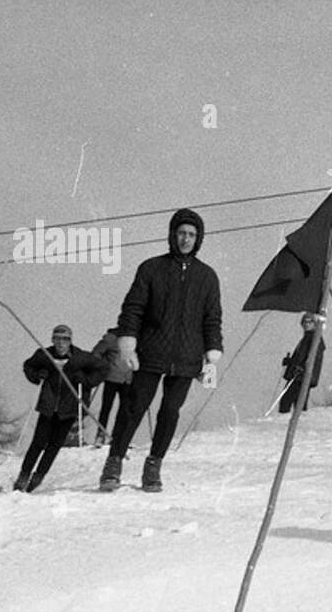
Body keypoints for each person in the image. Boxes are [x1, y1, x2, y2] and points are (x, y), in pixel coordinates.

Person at [99, 208, 223, 492]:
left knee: (170, 411)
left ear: (198, 238)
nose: (186, 239)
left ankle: (153, 465)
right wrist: (128, 341)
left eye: (192, 235)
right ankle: (114, 461)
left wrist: (212, 354)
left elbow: (212, 319)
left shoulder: (207, 277)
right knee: (133, 408)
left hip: (188, 358)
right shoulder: (151, 268)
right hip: (151, 353)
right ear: (172, 234)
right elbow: (133, 308)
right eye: (181, 233)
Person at [17, 325, 107, 492]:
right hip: (48, 407)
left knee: (55, 445)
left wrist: (86, 381)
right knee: (38, 443)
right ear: (52, 340)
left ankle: (38, 477)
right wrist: (37, 376)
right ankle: (23, 476)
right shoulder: (44, 355)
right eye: (57, 338)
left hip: (69, 408)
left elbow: (102, 368)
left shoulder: (80, 358)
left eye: (65, 339)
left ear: (70, 341)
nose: (60, 343)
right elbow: (28, 366)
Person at [91, 326, 132, 447]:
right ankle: (100, 435)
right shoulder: (111, 338)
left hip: (127, 379)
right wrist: (102, 367)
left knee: (125, 410)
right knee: (106, 407)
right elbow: (96, 353)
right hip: (111, 378)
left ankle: (118, 437)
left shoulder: (133, 339)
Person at [278, 312, 326, 413]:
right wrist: (290, 362)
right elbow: (300, 357)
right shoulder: (306, 338)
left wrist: (303, 367)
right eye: (304, 322)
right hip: (299, 375)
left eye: (310, 322)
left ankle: (289, 423)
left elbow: (313, 357)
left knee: (290, 401)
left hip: (302, 376)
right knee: (295, 402)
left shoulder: (315, 338)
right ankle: (292, 422)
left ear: (314, 324)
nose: (306, 324)